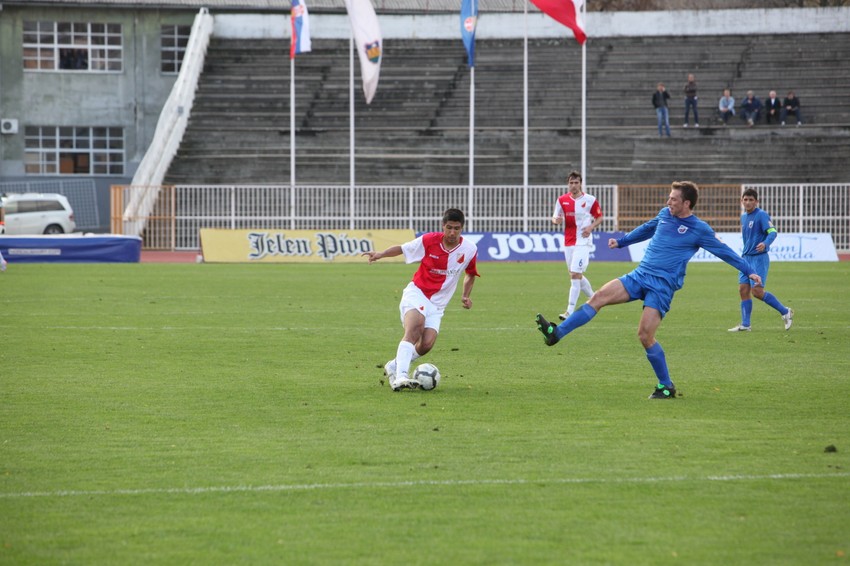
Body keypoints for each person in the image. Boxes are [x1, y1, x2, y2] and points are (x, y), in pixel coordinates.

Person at [535, 181, 763, 400]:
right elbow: (647, 229)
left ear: (687, 203)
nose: (668, 202)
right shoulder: (665, 214)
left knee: (645, 335)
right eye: (669, 198)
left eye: (673, 199)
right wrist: (622, 242)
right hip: (640, 275)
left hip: (662, 286)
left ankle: (666, 386)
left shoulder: (699, 229)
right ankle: (556, 333)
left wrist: (749, 271)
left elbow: (724, 251)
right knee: (598, 297)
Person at [363, 208, 479, 391]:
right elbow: (403, 248)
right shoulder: (429, 240)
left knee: (426, 344)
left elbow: (470, 273)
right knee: (415, 328)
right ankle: (401, 376)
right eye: (449, 228)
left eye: (456, 228)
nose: (452, 232)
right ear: (443, 226)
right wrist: (380, 254)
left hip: (438, 304)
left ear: (462, 228)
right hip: (417, 293)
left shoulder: (470, 249)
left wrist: (465, 295)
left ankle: (394, 365)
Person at [728, 189, 794, 332]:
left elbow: (772, 232)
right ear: (742, 201)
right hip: (746, 258)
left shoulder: (761, 215)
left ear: (756, 202)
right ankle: (746, 324)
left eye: (751, 200)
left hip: (759, 258)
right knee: (743, 289)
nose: (748, 202)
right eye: (745, 199)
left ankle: (785, 311)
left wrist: (765, 243)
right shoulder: (743, 217)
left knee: (757, 291)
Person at [552, 170, 603, 320]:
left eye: (576, 182)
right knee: (575, 274)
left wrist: (590, 227)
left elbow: (600, 217)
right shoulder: (562, 200)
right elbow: (554, 217)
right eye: (571, 182)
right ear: (568, 184)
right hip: (568, 242)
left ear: (580, 184)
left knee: (575, 274)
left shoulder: (590, 200)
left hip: (583, 241)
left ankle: (569, 311)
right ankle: (595, 298)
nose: (574, 185)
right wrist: (556, 221)